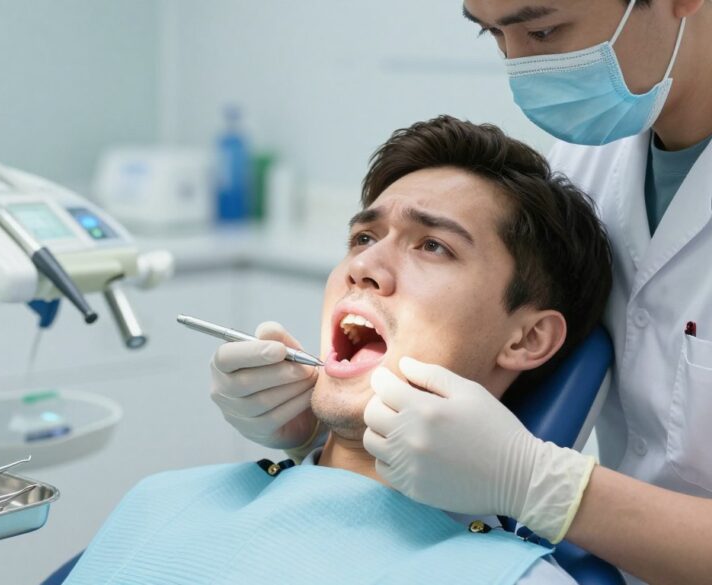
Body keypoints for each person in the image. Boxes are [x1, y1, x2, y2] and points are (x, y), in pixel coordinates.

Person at [208, 2, 712, 584]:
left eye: (542, 29)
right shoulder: (592, 152)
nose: (520, 65)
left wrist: (533, 482)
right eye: (493, 34)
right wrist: (323, 433)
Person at [64, 116, 611, 584]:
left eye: (432, 246)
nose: (363, 266)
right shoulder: (160, 501)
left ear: (526, 338)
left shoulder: (511, 578)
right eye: (364, 238)